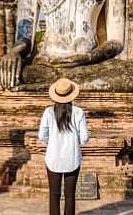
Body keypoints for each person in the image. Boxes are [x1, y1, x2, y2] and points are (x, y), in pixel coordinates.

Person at [38, 78, 89, 215]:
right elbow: (85, 138)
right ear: (71, 94)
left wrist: (53, 143)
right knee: (70, 195)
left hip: (53, 158)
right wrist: (74, 142)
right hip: (72, 158)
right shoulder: (78, 112)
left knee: (54, 195)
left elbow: (42, 136)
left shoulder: (48, 112)